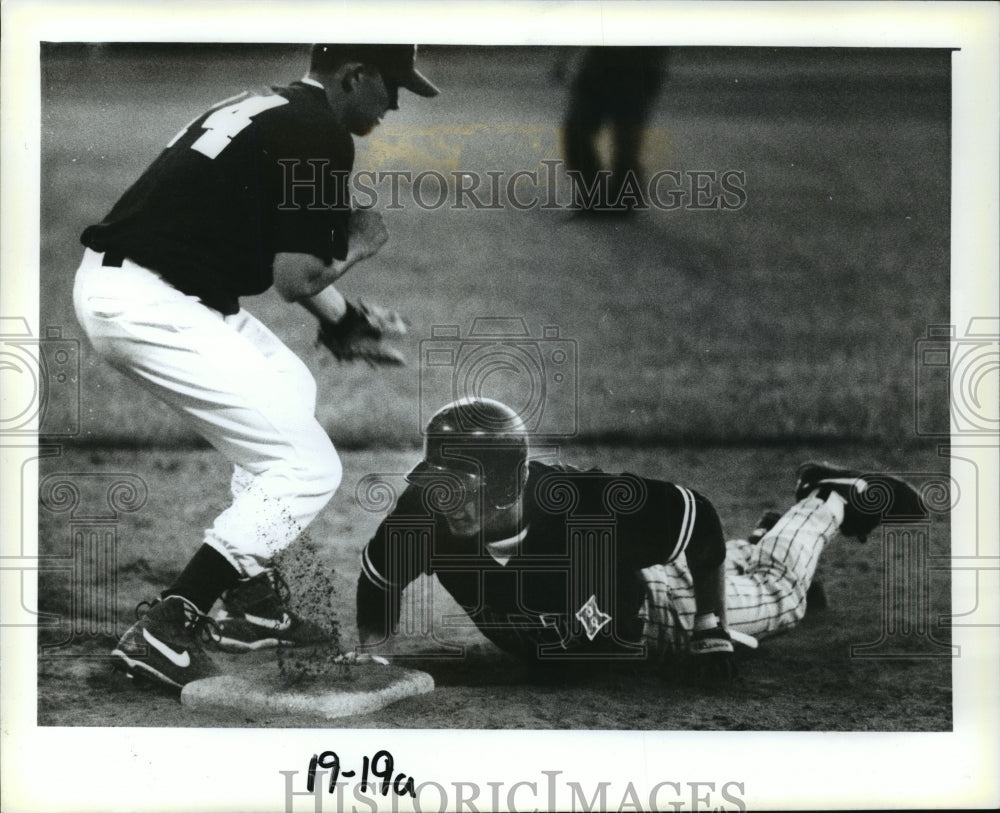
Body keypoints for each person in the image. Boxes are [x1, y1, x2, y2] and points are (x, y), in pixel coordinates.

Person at [74, 44, 439, 689]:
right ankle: (169, 624)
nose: (396, 103)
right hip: (148, 303)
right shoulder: (320, 132)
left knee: (289, 388)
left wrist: (342, 321)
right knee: (308, 465)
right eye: (392, 86)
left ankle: (250, 603)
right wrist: (361, 243)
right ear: (354, 75)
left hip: (157, 291)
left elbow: (279, 243)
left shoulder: (275, 107)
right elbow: (295, 277)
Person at [355, 398, 926, 678]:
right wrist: (369, 655)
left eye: (461, 490)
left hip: (663, 613)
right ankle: (762, 538)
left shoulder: (585, 504)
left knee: (783, 594)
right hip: (605, 609)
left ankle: (828, 497)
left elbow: (699, 517)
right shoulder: (424, 514)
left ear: (506, 483)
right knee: (735, 562)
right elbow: (379, 579)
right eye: (438, 487)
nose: (445, 504)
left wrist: (710, 628)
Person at [560, 46, 667, 216]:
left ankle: (618, 199)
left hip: (635, 65)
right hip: (599, 64)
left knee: (625, 141)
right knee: (577, 132)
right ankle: (598, 196)